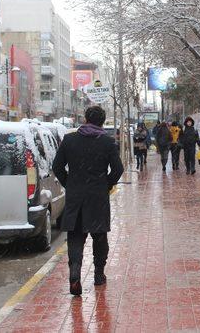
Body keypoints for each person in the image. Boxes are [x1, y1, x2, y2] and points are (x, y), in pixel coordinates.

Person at [52, 106, 124, 296]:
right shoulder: (107, 142)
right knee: (99, 237)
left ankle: (75, 272)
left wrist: (70, 184)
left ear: (85, 119)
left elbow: (57, 166)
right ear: (102, 121)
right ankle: (99, 274)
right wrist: (106, 184)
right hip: (97, 197)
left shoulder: (69, 140)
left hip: (76, 197)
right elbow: (118, 169)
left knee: (75, 237)